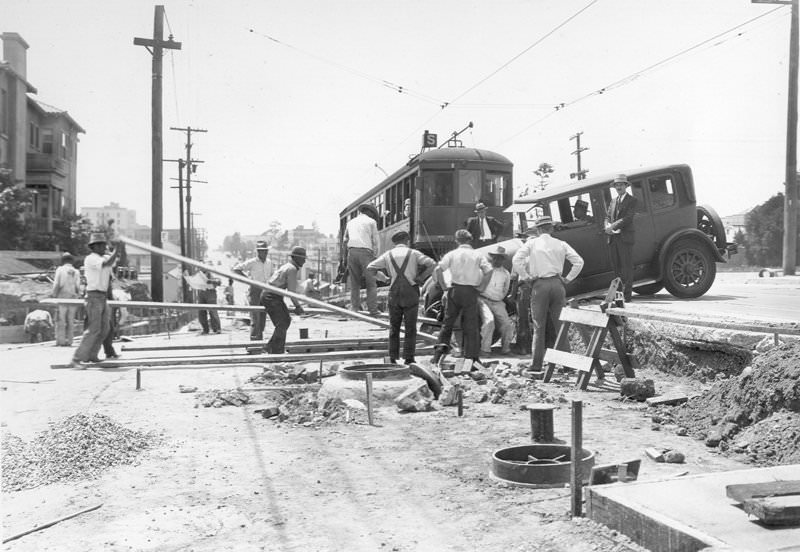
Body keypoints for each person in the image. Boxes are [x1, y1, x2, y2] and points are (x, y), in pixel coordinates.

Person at [512, 216, 584, 372]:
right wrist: (568, 278)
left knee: (539, 326)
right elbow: (579, 262)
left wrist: (526, 277)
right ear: (551, 228)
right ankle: (567, 365)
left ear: (538, 229)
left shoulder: (531, 243)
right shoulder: (561, 244)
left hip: (540, 285)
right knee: (560, 325)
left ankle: (536, 364)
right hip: (558, 285)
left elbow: (516, 260)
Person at [367, 230, 436, 365]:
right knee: (411, 327)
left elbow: (370, 268)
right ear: (407, 240)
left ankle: (393, 357)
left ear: (395, 242)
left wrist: (385, 278)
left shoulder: (388, 254)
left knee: (394, 327)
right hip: (411, 290)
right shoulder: (413, 253)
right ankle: (409, 358)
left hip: (394, 292)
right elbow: (432, 264)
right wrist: (421, 277)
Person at [431, 229, 493, 370]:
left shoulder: (452, 254)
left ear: (457, 240)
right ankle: (472, 358)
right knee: (471, 325)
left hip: (455, 289)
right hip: (471, 291)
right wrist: (482, 287)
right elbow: (489, 270)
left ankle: (437, 356)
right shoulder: (477, 255)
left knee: (448, 323)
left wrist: (444, 287)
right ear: (470, 240)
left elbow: (438, 270)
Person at [69, 232, 119, 368]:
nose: (104, 247)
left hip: (102, 297)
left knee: (104, 328)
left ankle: (92, 355)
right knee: (93, 329)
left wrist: (117, 249)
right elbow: (108, 262)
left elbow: (112, 262)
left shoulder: (104, 258)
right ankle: (76, 359)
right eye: (101, 245)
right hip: (93, 297)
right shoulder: (91, 259)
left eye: (105, 245)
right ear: (94, 247)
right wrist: (117, 249)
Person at [260, 247, 307, 354]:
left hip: (271, 295)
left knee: (284, 321)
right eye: (303, 258)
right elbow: (291, 292)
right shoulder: (292, 269)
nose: (304, 261)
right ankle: (275, 350)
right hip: (271, 296)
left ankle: (271, 347)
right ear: (297, 258)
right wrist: (298, 306)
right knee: (283, 322)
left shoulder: (288, 266)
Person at [604, 174, 637, 302]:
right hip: (613, 239)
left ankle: (627, 296)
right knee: (616, 268)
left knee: (627, 267)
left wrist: (612, 226)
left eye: (621, 185)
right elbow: (607, 216)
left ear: (626, 186)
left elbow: (628, 218)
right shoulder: (613, 201)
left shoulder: (632, 200)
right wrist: (607, 226)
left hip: (625, 237)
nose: (619, 187)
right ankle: (619, 296)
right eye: (617, 185)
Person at [232, 240, 273, 341]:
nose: (265, 253)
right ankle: (254, 343)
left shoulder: (269, 262)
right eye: (262, 251)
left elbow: (271, 275)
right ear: (258, 252)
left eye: (266, 251)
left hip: (266, 291)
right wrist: (248, 280)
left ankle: (260, 341)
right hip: (255, 291)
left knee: (263, 318)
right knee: (255, 318)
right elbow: (236, 269)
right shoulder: (252, 262)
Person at [344, 203, 380, 315]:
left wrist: (348, 252)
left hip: (352, 251)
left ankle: (354, 309)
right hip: (366, 252)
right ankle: (373, 310)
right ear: (370, 212)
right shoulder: (371, 222)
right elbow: (376, 241)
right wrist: (376, 257)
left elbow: (345, 239)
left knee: (355, 283)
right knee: (371, 283)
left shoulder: (350, 222)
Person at [478, 245, 513, 356]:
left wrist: (499, 299)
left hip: (497, 302)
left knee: (507, 324)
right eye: (495, 257)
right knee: (489, 322)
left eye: (500, 258)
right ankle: (485, 349)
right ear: (492, 258)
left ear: (503, 259)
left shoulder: (506, 274)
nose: (497, 260)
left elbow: (506, 289)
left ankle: (506, 348)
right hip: (483, 300)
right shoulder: (485, 271)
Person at [52, 252, 81, 346]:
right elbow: (77, 286)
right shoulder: (76, 271)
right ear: (71, 261)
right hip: (73, 297)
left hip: (62, 296)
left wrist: (54, 295)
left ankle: (61, 341)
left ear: (62, 260)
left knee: (61, 320)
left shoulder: (60, 270)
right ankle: (70, 341)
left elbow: (57, 284)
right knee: (70, 320)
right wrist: (78, 296)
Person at [197, 269, 222, 335]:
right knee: (201, 312)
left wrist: (210, 281)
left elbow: (219, 282)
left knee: (213, 311)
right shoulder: (199, 274)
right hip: (202, 292)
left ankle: (216, 329)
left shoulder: (211, 273)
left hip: (210, 292)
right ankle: (205, 329)